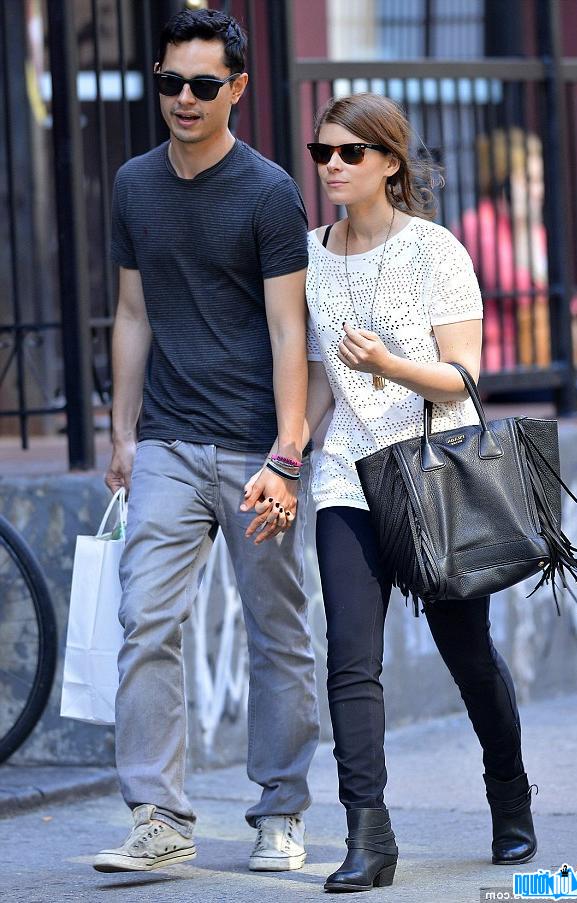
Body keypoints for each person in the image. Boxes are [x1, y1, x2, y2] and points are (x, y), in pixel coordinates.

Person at [244, 93, 538, 893]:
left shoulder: (436, 250)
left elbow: (462, 376)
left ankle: (509, 793)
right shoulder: (308, 256)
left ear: (389, 162)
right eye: (321, 153)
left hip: (432, 472)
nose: (331, 166)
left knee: (466, 652)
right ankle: (369, 836)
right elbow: (308, 384)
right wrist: (287, 460)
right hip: (349, 473)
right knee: (351, 660)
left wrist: (390, 365)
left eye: (348, 153)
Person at [93, 8, 319, 874]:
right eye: (169, 82)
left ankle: (281, 811)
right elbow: (131, 311)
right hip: (169, 444)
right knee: (145, 617)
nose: (183, 100)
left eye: (202, 85)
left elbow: (288, 330)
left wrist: (287, 451)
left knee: (277, 629)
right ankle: (159, 814)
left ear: (239, 89)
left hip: (257, 454)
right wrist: (121, 434)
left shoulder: (268, 192)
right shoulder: (133, 185)